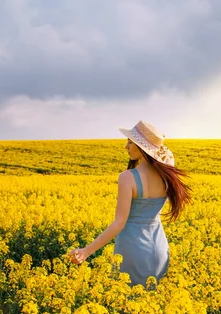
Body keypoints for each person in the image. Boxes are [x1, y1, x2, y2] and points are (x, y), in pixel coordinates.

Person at [69, 120, 192, 287]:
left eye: (130, 142)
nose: (126, 146)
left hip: (132, 247)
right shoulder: (167, 176)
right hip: (159, 247)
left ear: (142, 147)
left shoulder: (128, 177)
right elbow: (169, 159)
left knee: (127, 299)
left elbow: (119, 223)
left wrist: (85, 252)